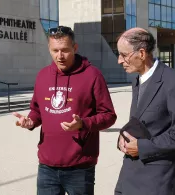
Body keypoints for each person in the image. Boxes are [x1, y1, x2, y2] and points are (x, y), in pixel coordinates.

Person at [12, 25, 117, 195]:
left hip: (80, 166)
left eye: (65, 50)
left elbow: (109, 116)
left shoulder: (92, 75)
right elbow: (37, 110)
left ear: (75, 48)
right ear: (49, 48)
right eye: (55, 50)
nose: (59, 56)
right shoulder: (43, 76)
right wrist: (30, 120)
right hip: (47, 166)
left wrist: (84, 123)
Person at [114, 28, 175, 195]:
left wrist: (143, 147)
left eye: (124, 55)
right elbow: (145, 120)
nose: (119, 60)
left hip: (158, 180)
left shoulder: (173, 80)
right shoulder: (137, 80)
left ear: (142, 53)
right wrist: (124, 135)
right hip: (131, 173)